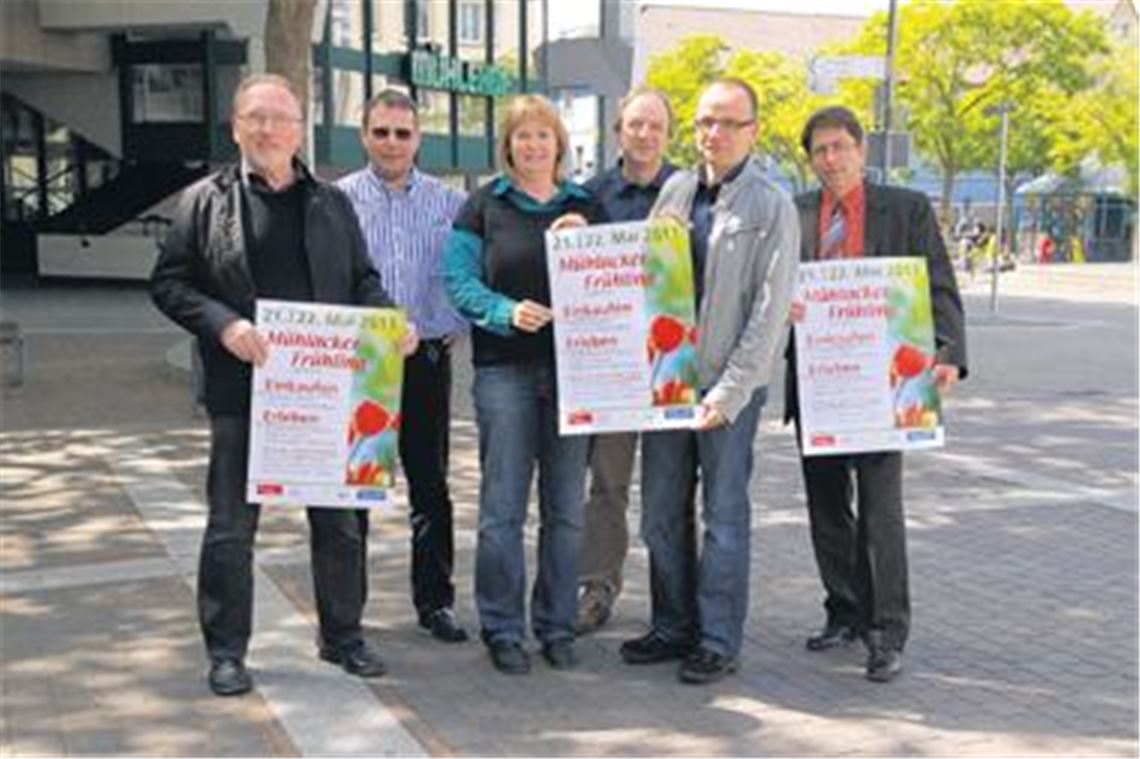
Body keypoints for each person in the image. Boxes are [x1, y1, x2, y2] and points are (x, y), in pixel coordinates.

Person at [150, 74, 417, 697]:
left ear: (301, 128)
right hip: (243, 393)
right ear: (236, 126)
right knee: (230, 530)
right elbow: (169, 283)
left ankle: (343, 637)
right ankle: (226, 652)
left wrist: (389, 322)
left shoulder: (331, 201)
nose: (267, 130)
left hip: (330, 394)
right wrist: (224, 325)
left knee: (339, 525)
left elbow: (363, 279)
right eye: (254, 117)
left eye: (280, 118)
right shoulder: (203, 201)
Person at [620, 78, 799, 685]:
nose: (713, 133)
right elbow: (644, 277)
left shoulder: (771, 205)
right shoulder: (673, 190)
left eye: (728, 123)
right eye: (704, 122)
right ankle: (672, 625)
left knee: (724, 517)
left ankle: (718, 638)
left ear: (752, 131)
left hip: (728, 391)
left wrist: (730, 394)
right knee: (661, 513)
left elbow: (771, 311)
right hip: (669, 386)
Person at [785, 105, 967, 683]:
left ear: (862, 151)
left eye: (840, 147)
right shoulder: (797, 213)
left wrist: (950, 355)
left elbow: (938, 281)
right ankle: (844, 609)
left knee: (881, 511)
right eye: (820, 150)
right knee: (827, 508)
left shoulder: (906, 209)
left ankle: (886, 630)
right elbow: (776, 284)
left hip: (889, 384)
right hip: (819, 382)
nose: (831, 159)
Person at [444, 94, 607, 675]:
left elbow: (628, 275)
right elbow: (457, 281)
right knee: (503, 509)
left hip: (576, 375)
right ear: (507, 146)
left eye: (544, 135)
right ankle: (503, 628)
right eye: (523, 136)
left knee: (566, 510)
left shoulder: (589, 205)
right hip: (504, 372)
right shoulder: (484, 205)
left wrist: (584, 235)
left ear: (560, 143)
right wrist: (503, 311)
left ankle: (558, 626)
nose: (534, 145)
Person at [337, 89, 469, 644]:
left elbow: (466, 275)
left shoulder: (450, 202)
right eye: (382, 131)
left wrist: (450, 328)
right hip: (358, 364)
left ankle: (435, 602)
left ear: (419, 138)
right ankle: (348, 609)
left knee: (430, 485)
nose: (392, 143)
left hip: (426, 362)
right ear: (364, 134)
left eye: (403, 133)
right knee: (355, 488)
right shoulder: (335, 200)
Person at [576, 86, 678, 635]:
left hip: (671, 367)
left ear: (668, 134)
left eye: (655, 126)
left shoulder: (692, 193)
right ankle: (597, 587)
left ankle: (672, 600)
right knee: (608, 485)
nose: (644, 135)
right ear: (618, 132)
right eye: (635, 125)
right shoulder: (589, 196)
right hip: (612, 368)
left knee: (668, 490)